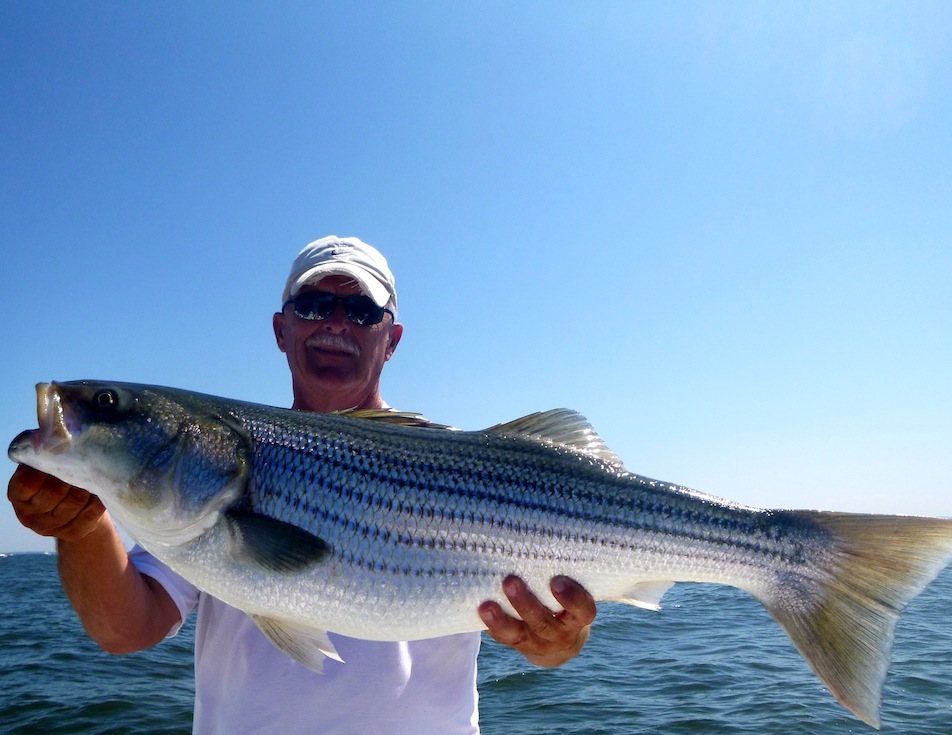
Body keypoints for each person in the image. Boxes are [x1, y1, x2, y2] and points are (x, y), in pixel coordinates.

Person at [7, 235, 597, 734]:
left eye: (362, 312)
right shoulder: (192, 510)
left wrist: (557, 642)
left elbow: (553, 640)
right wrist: (84, 529)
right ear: (281, 329)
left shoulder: (462, 459)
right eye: (314, 305)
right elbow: (125, 629)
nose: (336, 323)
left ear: (390, 340)